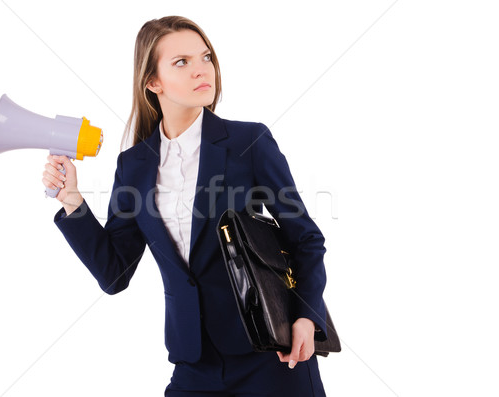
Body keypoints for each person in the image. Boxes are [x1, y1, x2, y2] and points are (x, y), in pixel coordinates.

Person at [42, 15, 329, 396]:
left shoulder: (249, 142)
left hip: (271, 356)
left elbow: (305, 238)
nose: (201, 70)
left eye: (205, 57)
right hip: (194, 364)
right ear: (152, 82)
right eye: (182, 62)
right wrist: (73, 201)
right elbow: (114, 274)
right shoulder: (134, 166)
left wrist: (307, 318)